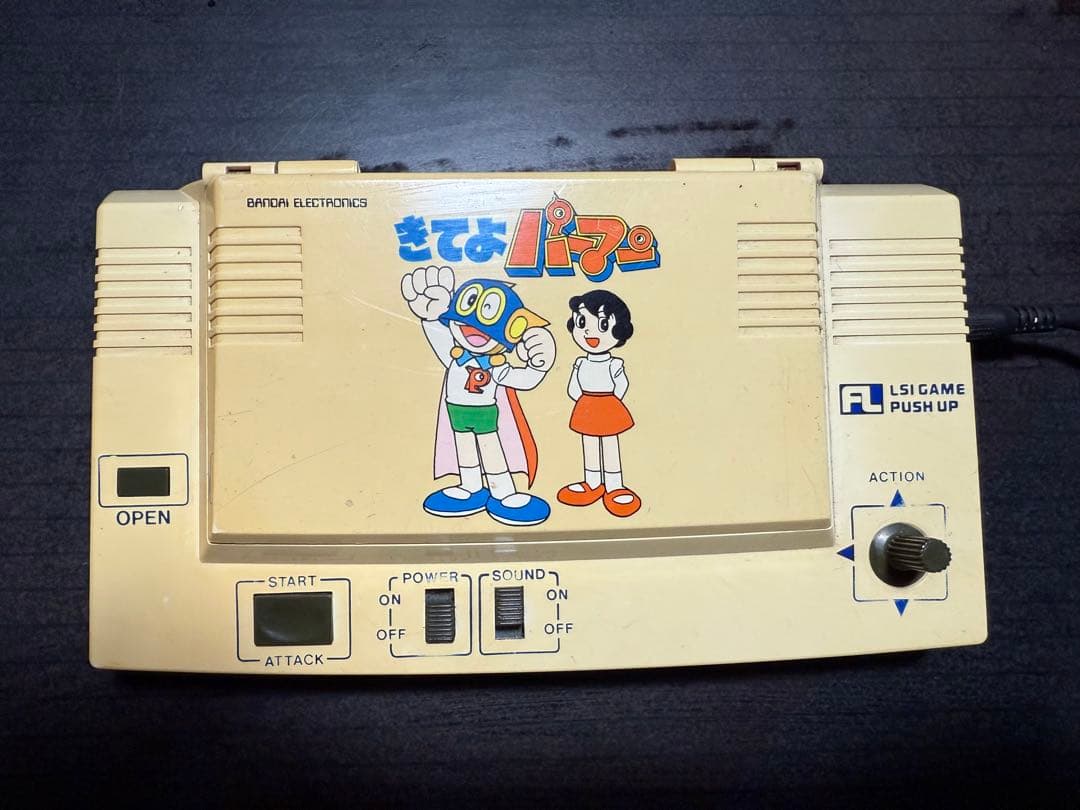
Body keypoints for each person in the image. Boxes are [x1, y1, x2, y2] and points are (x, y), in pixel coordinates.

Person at [557, 290, 640, 518]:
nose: (589, 332)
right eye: (582, 323)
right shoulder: (580, 363)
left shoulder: (614, 364)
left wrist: (611, 402)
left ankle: (615, 486)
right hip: (587, 406)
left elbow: (621, 385)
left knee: (610, 445)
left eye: (603, 324)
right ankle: (592, 482)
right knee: (590, 444)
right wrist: (582, 400)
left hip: (608, 406)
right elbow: (573, 387)